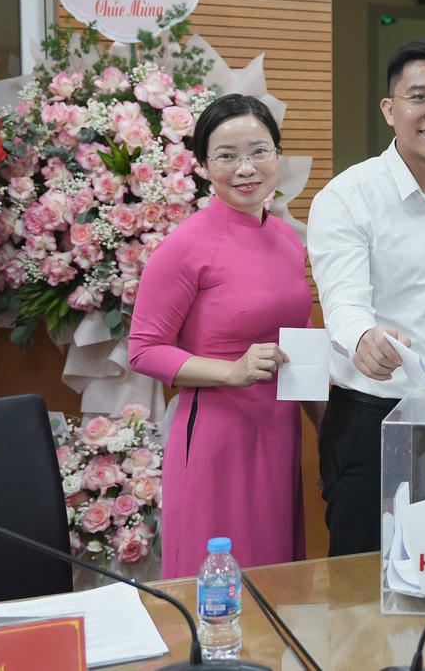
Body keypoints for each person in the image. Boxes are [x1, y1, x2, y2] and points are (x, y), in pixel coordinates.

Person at [308, 38, 425, 556]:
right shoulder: (348, 196)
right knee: (362, 578)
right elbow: (343, 300)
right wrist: (363, 338)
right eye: (419, 97)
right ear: (390, 110)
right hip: (375, 420)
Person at [129, 94, 311, 579]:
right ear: (204, 166)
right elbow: (143, 350)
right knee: (220, 581)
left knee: (277, 577)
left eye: (259, 151)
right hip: (217, 433)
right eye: (227, 156)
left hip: (279, 430)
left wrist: (326, 422)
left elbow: (300, 335)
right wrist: (231, 372)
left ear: (277, 154)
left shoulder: (288, 238)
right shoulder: (185, 246)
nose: (246, 168)